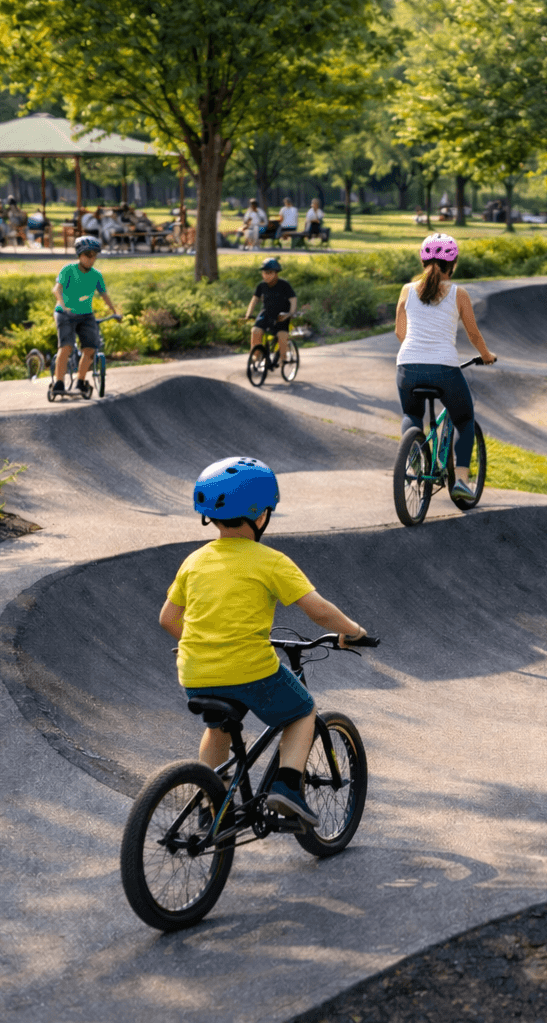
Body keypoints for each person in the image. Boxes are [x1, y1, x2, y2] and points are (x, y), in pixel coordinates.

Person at [159, 457, 369, 825]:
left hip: (195, 674)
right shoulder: (270, 561)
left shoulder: (193, 562)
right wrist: (352, 630)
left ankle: (211, 804)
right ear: (260, 516)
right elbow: (318, 610)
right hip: (249, 670)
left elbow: (168, 619)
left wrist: (203, 643)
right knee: (303, 711)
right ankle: (287, 787)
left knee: (218, 728)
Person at [393, 233, 497, 504]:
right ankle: (461, 480)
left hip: (408, 365)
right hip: (443, 368)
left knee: (410, 412)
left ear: (423, 260)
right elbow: (473, 334)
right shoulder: (458, 294)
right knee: (463, 419)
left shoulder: (407, 290)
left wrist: (418, 351)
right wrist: (486, 355)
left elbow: (399, 332)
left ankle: (414, 459)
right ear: (454, 264)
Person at [51, 236, 122, 397]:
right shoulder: (68, 270)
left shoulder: (96, 275)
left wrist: (114, 312)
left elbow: (104, 294)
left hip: (86, 315)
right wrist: (63, 305)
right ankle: (59, 382)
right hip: (65, 314)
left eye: (94, 256)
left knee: (90, 348)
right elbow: (56, 289)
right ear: (79, 255)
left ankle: (80, 382)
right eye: (88, 255)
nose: (92, 259)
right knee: (66, 346)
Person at [245, 257, 297, 370]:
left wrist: (290, 313)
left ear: (276, 273)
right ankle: (256, 355)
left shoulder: (284, 285)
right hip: (266, 314)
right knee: (255, 331)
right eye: (264, 272)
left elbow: (293, 299)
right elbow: (254, 300)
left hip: (281, 316)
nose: (266, 275)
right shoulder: (261, 286)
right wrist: (248, 314)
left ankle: (283, 358)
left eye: (269, 273)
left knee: (282, 336)